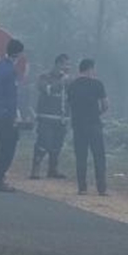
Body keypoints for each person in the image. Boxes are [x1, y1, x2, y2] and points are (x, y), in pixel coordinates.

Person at [67, 59, 109, 196]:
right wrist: (97, 113)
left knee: (81, 156)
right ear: (90, 68)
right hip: (94, 124)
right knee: (99, 156)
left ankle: (82, 188)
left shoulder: (72, 85)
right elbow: (105, 105)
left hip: (78, 125)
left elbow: (70, 104)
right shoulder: (97, 84)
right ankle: (101, 188)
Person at [0, 39, 24, 192]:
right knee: (8, 146)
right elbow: (11, 97)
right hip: (5, 114)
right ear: (18, 53)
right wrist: (13, 115)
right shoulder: (10, 71)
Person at [30, 54, 71, 179]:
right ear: (58, 64)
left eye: (69, 65)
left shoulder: (69, 80)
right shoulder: (45, 77)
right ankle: (35, 169)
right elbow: (47, 89)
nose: (67, 67)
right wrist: (61, 82)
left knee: (57, 144)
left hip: (62, 118)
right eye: (65, 64)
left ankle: (53, 169)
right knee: (43, 143)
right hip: (46, 117)